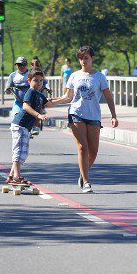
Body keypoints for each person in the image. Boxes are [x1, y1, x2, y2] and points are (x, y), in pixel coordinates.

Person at [48, 46, 119, 193]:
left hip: (93, 116)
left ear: (92, 58)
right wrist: (52, 102)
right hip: (76, 114)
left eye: (86, 58)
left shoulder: (99, 77)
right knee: (82, 148)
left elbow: (108, 97)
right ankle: (86, 182)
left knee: (93, 152)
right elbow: (68, 97)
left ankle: (83, 173)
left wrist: (114, 115)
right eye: (81, 58)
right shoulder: (74, 76)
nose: (83, 61)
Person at [7, 69, 51, 184]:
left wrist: (67, 98)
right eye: (36, 80)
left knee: (23, 152)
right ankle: (17, 177)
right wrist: (39, 116)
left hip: (25, 127)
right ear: (29, 80)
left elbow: (50, 103)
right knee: (19, 151)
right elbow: (26, 107)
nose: (39, 83)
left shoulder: (39, 95)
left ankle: (12, 176)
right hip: (20, 125)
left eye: (41, 80)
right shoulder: (30, 92)